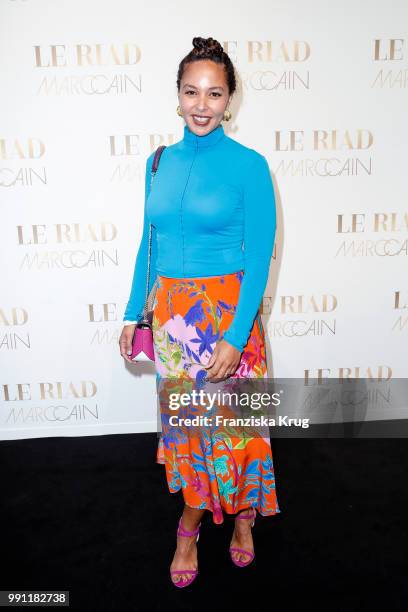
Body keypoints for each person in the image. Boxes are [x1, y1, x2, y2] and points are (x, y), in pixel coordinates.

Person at [119, 36, 281, 588]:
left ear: (230, 99)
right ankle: (189, 525)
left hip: (228, 318)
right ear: (178, 96)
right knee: (190, 429)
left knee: (235, 430)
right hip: (172, 323)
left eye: (214, 93)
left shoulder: (250, 166)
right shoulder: (158, 161)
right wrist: (130, 313)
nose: (202, 105)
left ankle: (242, 519)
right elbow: (150, 240)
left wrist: (237, 335)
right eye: (192, 92)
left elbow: (258, 259)